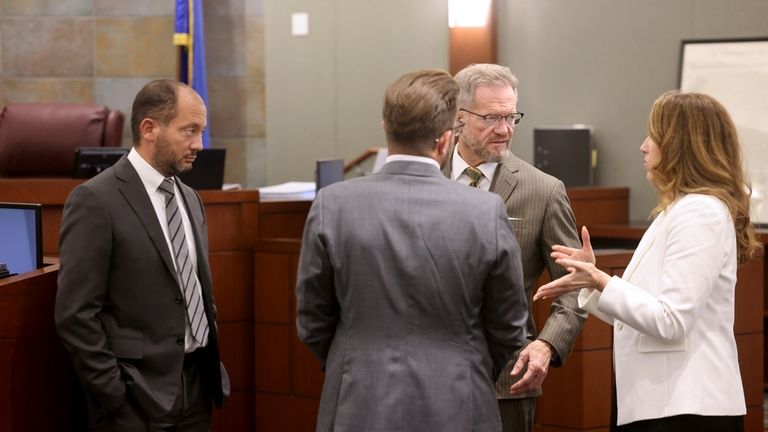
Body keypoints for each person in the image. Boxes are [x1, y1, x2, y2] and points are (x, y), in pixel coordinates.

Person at [295, 69, 529, 431]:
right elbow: (509, 328)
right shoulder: (484, 210)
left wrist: (354, 360)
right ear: (446, 140)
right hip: (458, 403)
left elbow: (312, 318)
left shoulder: (333, 205)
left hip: (357, 401)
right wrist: (465, 365)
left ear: (385, 127)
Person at [534, 90, 760, 431]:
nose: (643, 145)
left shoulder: (699, 212)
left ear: (681, 145)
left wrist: (601, 280)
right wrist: (592, 281)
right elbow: (644, 312)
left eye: (653, 135)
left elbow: (670, 322)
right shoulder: (680, 209)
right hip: (665, 404)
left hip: (686, 409)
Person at [55, 79, 229, 431]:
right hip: (134, 399)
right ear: (149, 128)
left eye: (202, 132)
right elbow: (75, 314)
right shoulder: (95, 200)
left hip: (196, 387)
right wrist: (112, 391)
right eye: (189, 131)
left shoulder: (190, 198)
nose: (199, 145)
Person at [443, 63, 587, 431]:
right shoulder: (426, 176)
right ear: (459, 118)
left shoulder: (543, 191)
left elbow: (575, 286)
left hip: (507, 379)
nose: (505, 130)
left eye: (512, 117)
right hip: (425, 378)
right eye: (492, 118)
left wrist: (546, 346)